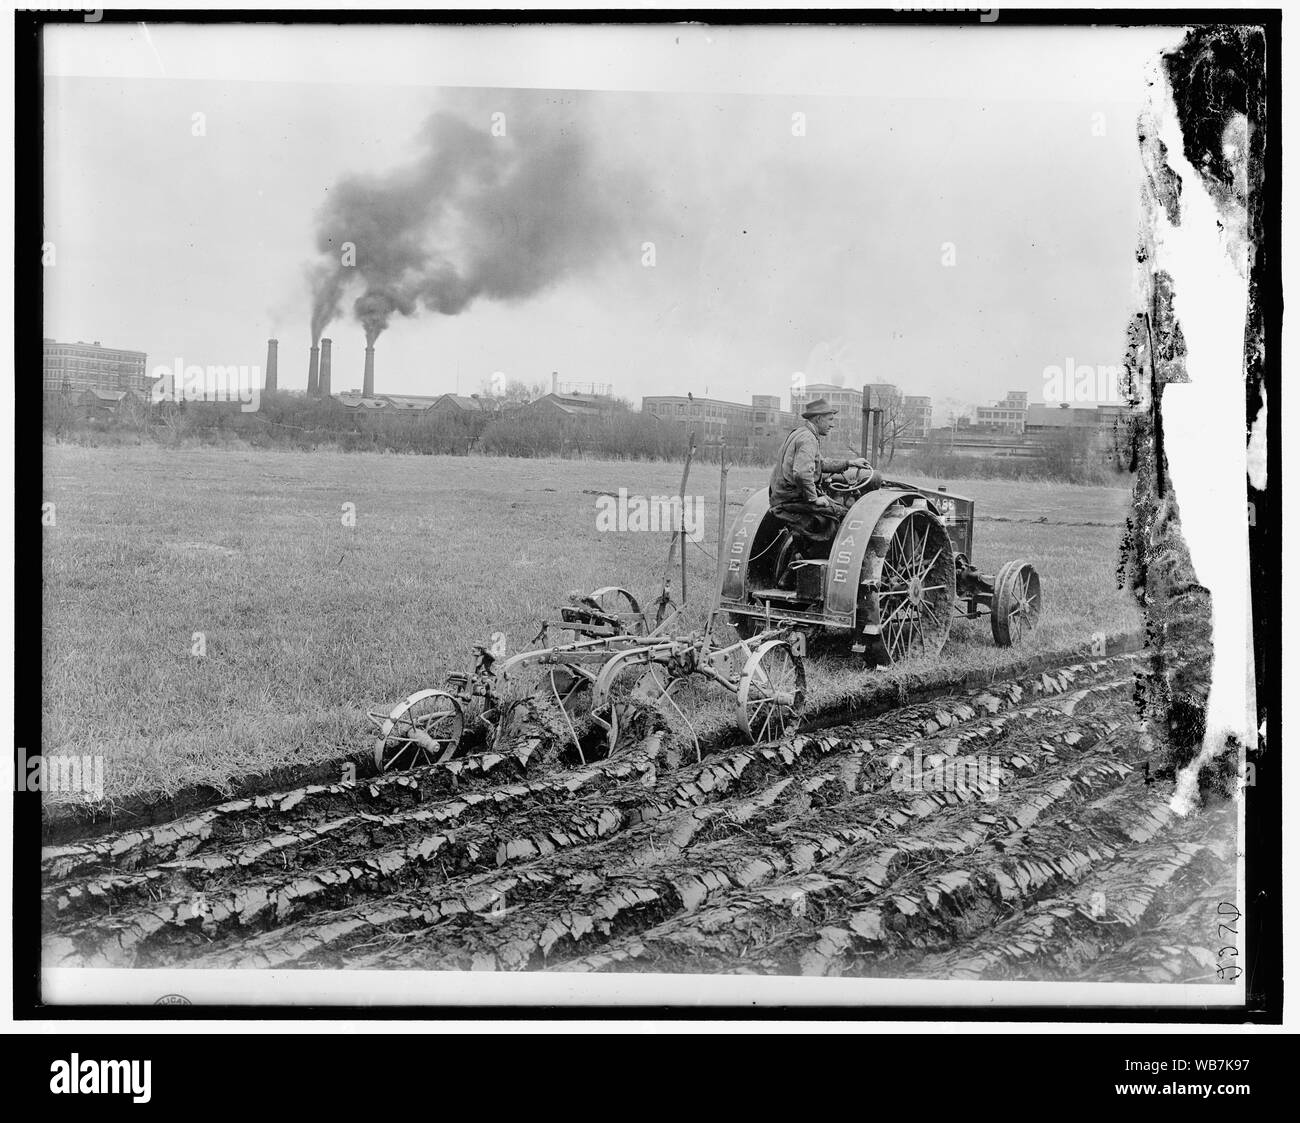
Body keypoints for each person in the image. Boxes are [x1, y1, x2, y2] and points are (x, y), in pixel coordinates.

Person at [768, 398, 872, 584]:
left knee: (831, 515)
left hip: (784, 496)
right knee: (847, 516)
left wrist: (849, 463)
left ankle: (796, 570)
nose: (833, 424)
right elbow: (801, 472)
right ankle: (837, 578)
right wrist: (814, 498)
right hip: (792, 499)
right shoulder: (808, 439)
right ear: (817, 419)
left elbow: (819, 464)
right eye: (830, 419)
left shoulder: (800, 433)